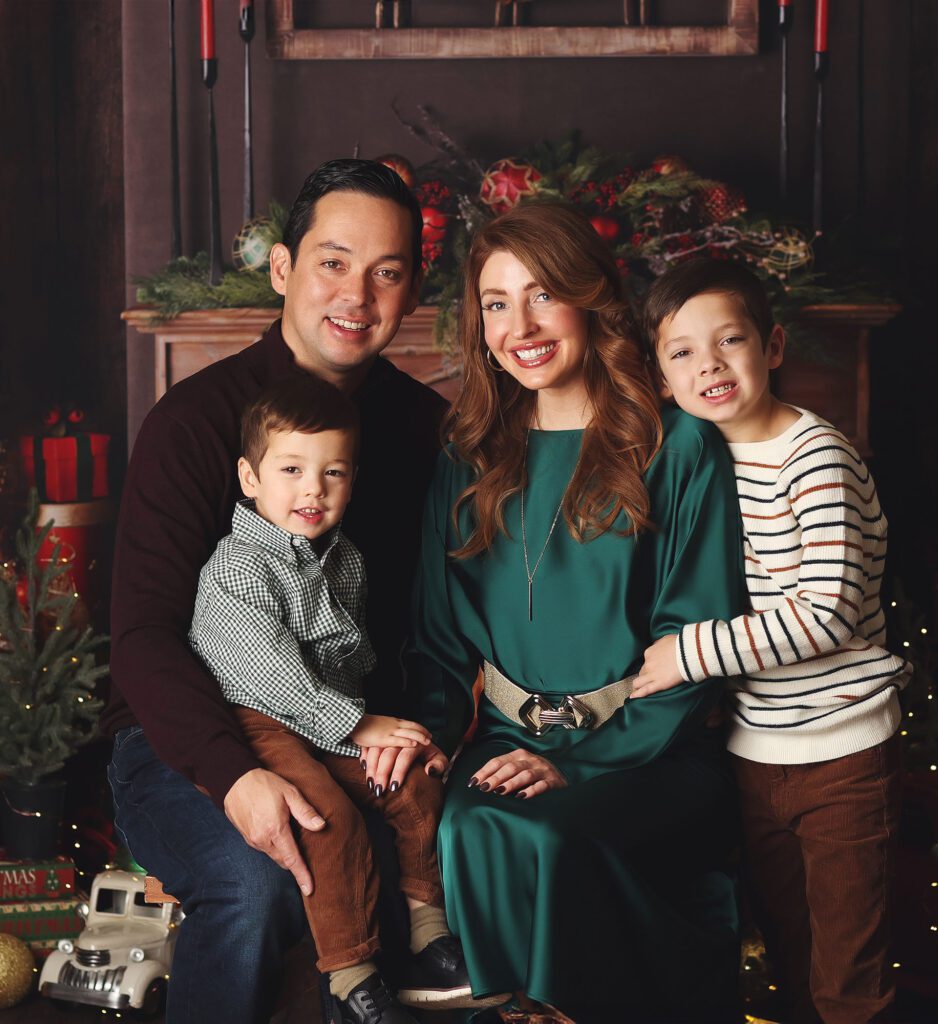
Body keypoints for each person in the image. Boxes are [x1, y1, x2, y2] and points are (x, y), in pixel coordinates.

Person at [104, 159, 448, 1024]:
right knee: (257, 883)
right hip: (188, 734)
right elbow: (144, 635)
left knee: (462, 835)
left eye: (388, 272)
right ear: (284, 269)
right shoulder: (195, 424)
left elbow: (435, 621)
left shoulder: (423, 429)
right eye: (333, 262)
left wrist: (422, 735)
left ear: (413, 292)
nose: (358, 296)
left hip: (350, 726)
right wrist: (231, 777)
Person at [399, 203, 747, 1024]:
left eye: (542, 293)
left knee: (554, 837)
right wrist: (431, 749)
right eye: (494, 302)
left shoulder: (677, 445)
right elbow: (439, 640)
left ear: (589, 298)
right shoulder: (468, 451)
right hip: (509, 743)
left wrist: (583, 763)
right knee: (469, 827)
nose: (519, 324)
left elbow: (695, 639)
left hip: (648, 753)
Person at [638, 258, 910, 1024]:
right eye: (682, 352)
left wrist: (686, 656)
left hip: (843, 753)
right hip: (756, 753)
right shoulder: (701, 461)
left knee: (847, 977)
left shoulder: (813, 456)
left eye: (730, 340)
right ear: (661, 377)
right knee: (787, 954)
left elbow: (826, 614)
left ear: (774, 346)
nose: (710, 365)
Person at [187, 375, 471, 1022]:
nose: (313, 490)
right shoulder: (236, 567)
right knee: (326, 818)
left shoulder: (344, 560)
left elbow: (356, 658)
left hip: (330, 716)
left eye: (333, 473)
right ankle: (351, 975)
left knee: (416, 777)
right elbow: (272, 674)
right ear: (250, 477)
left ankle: (430, 931)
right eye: (292, 470)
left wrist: (379, 736)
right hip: (259, 719)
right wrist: (359, 726)